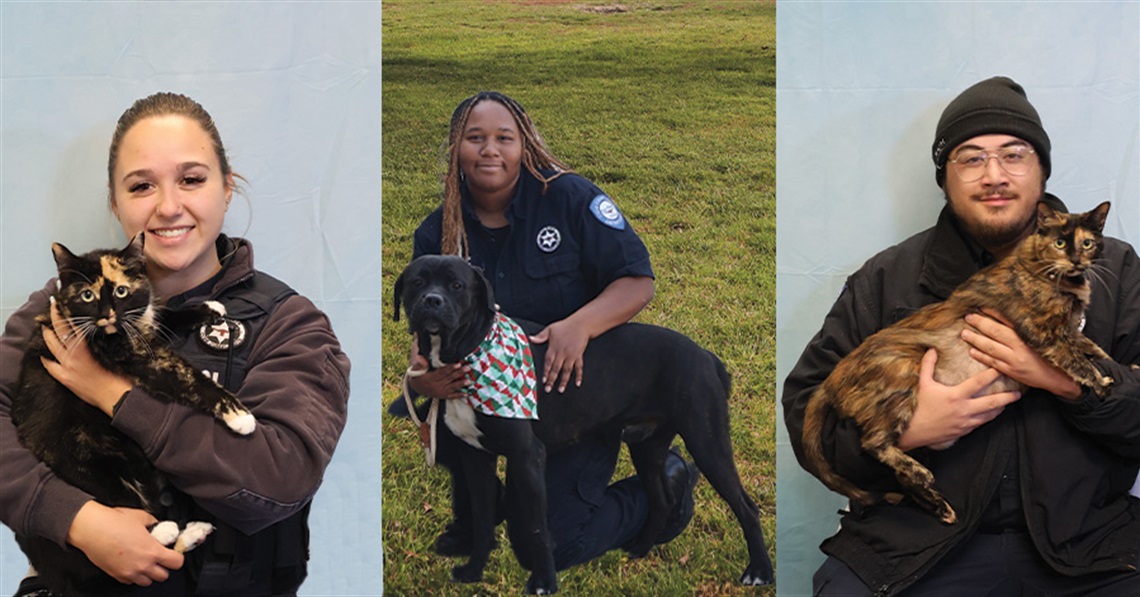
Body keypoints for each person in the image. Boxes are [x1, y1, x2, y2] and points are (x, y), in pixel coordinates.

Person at [783, 76, 1140, 595]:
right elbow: (807, 415)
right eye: (971, 158)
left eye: (1014, 155)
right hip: (918, 547)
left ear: (1041, 171)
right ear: (945, 177)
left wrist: (1067, 383)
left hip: (1088, 546)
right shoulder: (887, 278)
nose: (994, 175)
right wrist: (909, 430)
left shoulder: (1118, 274)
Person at [0, 92, 351, 596]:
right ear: (114, 202)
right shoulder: (57, 311)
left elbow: (280, 477)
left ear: (227, 189)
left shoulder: (289, 324)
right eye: (142, 185)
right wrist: (78, 521)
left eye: (191, 179)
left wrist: (114, 396)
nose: (168, 207)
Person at [396, 90, 698, 570]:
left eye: (504, 138)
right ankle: (486, 505)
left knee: (555, 542)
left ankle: (667, 484)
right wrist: (419, 380)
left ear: (526, 145)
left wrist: (580, 325)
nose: (489, 150)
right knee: (421, 408)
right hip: (490, 399)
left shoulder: (568, 198)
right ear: (456, 148)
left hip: (573, 395)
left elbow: (637, 281)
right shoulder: (438, 234)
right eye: (475, 138)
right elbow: (425, 329)